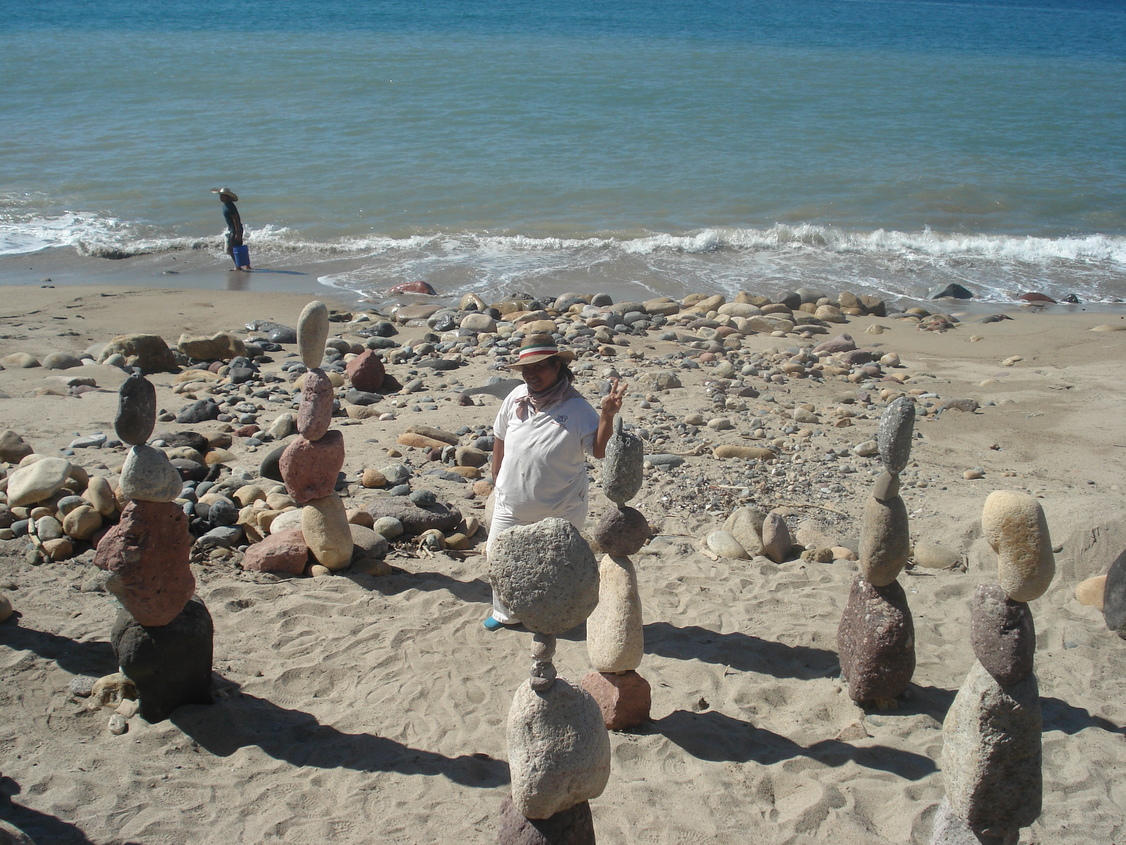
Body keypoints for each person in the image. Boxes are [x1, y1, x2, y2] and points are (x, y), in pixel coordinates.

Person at [484, 333, 628, 630]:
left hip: (560, 507)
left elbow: (599, 451)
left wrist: (606, 415)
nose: (531, 375)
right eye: (526, 369)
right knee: (495, 555)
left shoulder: (576, 408)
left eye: (539, 367)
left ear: (557, 367)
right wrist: (497, 476)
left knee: (554, 564)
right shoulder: (516, 396)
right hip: (510, 503)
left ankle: (552, 616)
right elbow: (500, 435)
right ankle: (506, 613)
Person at [211, 187, 251, 270]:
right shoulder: (226, 205)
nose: (220, 197)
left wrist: (237, 233)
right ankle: (246, 265)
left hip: (235, 229)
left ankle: (238, 266)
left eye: (222, 196)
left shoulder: (230, 206)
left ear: (227, 197)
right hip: (234, 229)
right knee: (238, 247)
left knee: (231, 249)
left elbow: (236, 219)